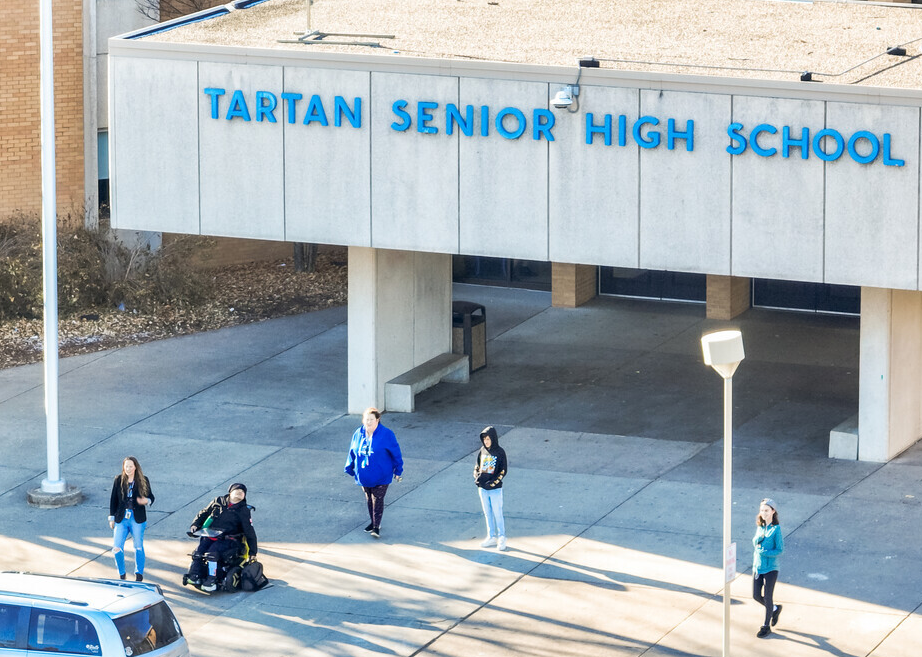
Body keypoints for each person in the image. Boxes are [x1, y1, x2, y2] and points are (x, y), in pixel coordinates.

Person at [344, 407, 403, 538]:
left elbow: (396, 453)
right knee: (369, 499)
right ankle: (373, 522)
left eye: (371, 419)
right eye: (366, 419)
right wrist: (349, 466)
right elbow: (352, 450)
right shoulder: (358, 433)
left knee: (377, 499)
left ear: (377, 420)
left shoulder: (386, 434)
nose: (368, 422)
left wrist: (398, 470)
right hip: (365, 475)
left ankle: (376, 527)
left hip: (381, 474)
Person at [187, 483, 258, 592]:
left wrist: (253, 552)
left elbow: (249, 532)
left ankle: (212, 579)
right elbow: (204, 513)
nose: (239, 493)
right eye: (237, 491)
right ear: (230, 492)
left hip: (230, 540)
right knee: (198, 552)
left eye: (242, 492)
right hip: (211, 535)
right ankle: (195, 575)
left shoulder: (243, 510)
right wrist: (195, 524)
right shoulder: (218, 501)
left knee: (212, 554)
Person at [108, 456, 154, 581]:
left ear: (135, 467)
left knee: (138, 546)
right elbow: (113, 499)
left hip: (136, 518)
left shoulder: (143, 480)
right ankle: (122, 574)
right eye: (126, 466)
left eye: (130, 466)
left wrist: (146, 500)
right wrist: (112, 518)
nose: (128, 469)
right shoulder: (119, 480)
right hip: (121, 518)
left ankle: (139, 574)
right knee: (117, 547)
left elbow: (151, 497)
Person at [753, 497, 784, 638]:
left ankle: (766, 626)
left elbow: (779, 549)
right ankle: (776, 609)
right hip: (758, 567)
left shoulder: (776, 529)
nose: (763, 513)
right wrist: (758, 541)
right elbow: (755, 542)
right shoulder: (760, 526)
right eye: (761, 510)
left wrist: (764, 552)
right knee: (756, 595)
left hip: (771, 568)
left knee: (768, 596)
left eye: (766, 510)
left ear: (773, 511)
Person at [473, 426, 507, 551]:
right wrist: (476, 477)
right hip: (482, 489)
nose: (486, 441)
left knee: (498, 513)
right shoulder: (482, 450)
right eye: (484, 439)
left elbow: (503, 471)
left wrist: (492, 483)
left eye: (488, 438)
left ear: (493, 438)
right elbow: (477, 465)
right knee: (487, 513)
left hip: (495, 489)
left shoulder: (500, 452)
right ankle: (491, 536)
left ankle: (502, 537)